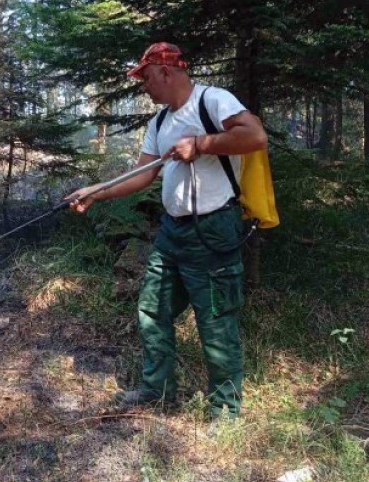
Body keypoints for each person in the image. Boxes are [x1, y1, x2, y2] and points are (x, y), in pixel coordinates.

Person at [68, 42, 267, 418]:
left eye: (145, 77)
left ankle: (225, 409)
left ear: (165, 71)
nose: (144, 86)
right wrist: (96, 192)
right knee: (152, 309)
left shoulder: (214, 100)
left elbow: (255, 136)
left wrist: (202, 144)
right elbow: (143, 175)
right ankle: (158, 392)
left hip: (213, 229)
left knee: (216, 321)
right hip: (171, 233)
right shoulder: (158, 122)